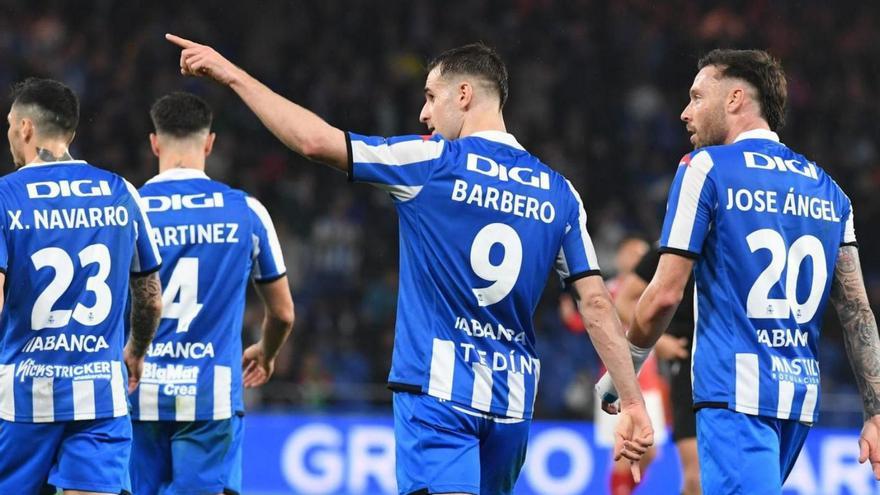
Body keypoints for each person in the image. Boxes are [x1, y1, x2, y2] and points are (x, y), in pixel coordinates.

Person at [165, 34, 654, 495]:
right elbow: (593, 300)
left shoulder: (432, 163)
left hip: (439, 396)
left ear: (463, 94)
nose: (424, 112)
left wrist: (233, 76)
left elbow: (316, 141)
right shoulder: (559, 192)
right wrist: (631, 401)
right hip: (511, 405)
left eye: (430, 96)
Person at [596, 48, 880, 492]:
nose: (685, 112)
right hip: (797, 398)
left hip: (734, 393)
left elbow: (665, 295)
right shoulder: (831, 191)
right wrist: (876, 411)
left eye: (696, 96)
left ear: (734, 99)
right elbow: (858, 312)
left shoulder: (705, 168)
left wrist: (622, 374)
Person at [0, 77, 163, 494]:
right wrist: (136, 352)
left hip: (21, 400)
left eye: (8, 126)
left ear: (24, 128)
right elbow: (150, 298)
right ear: (71, 132)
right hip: (101, 399)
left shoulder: (5, 196)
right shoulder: (122, 193)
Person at [129, 92, 295, 495]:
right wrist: (266, 352)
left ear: (155, 142)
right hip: (210, 395)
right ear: (209, 143)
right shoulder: (246, 211)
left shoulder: (128, 209)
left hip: (136, 390)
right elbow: (284, 313)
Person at [614, 248, 700, 494]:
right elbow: (623, 300)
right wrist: (659, 341)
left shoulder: (737, 241)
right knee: (697, 478)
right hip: (687, 367)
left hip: (738, 367)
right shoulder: (670, 248)